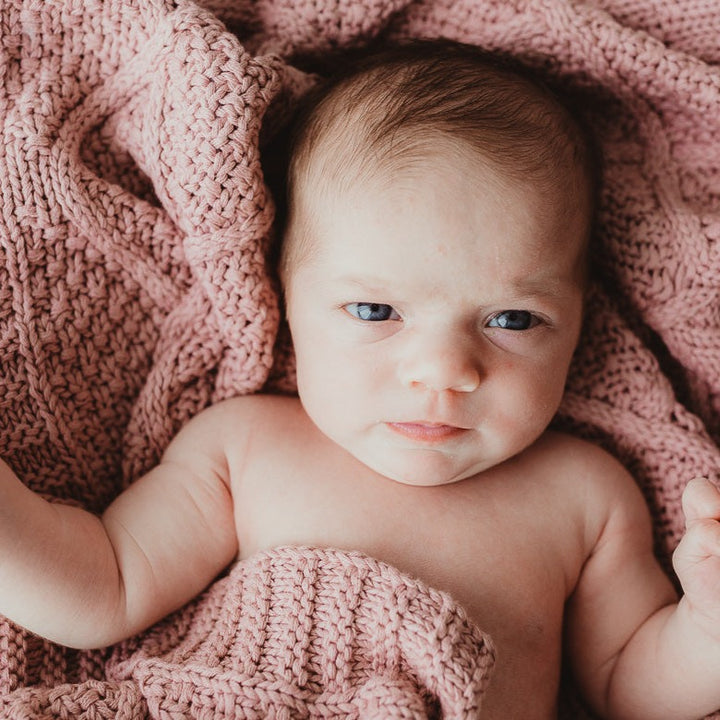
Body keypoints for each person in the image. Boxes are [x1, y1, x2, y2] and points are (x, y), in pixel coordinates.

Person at [1, 38, 720, 720]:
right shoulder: (245, 449)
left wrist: (705, 631)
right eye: (376, 310)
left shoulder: (586, 497)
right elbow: (105, 587)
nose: (445, 371)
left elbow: (629, 685)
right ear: (284, 297)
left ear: (580, 320)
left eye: (513, 320)